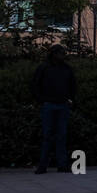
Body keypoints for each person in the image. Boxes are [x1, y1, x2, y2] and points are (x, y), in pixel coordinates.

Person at [32, 44, 76, 174]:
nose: (62, 56)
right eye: (60, 53)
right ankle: (44, 165)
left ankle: (58, 165)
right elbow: (35, 85)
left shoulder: (66, 69)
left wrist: (70, 99)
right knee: (49, 135)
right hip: (50, 104)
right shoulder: (44, 68)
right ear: (54, 54)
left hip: (60, 104)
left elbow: (73, 85)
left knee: (60, 135)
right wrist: (42, 100)